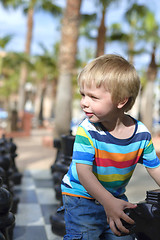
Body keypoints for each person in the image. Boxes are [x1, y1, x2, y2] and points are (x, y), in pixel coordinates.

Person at [61, 54, 160, 240]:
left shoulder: (141, 133)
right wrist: (108, 202)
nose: (84, 102)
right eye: (83, 94)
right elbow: (83, 172)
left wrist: (111, 202)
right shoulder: (87, 131)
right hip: (81, 198)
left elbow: (155, 168)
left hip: (115, 198)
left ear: (121, 101)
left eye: (93, 97)